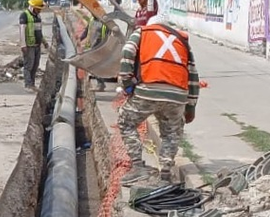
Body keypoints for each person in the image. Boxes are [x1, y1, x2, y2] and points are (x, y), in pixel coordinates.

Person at [118, 15, 200, 185]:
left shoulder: (142, 32)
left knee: (126, 122)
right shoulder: (182, 40)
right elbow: (193, 77)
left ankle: (138, 168)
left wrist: (127, 83)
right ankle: (165, 173)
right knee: (171, 132)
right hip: (178, 95)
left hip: (149, 90)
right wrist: (190, 109)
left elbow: (127, 51)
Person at [19, 0, 45, 91]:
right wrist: (23, 45)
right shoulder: (25, 15)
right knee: (28, 65)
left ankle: (32, 84)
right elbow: (22, 31)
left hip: (37, 45)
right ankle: (28, 84)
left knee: (35, 65)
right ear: (33, 7)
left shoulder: (38, 17)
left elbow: (39, 31)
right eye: (38, 9)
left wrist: (44, 42)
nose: (39, 11)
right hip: (29, 46)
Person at [80, 14, 111, 91]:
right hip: (92, 47)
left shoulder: (104, 23)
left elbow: (108, 35)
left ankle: (101, 84)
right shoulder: (92, 20)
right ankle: (100, 83)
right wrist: (80, 38)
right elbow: (87, 31)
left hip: (99, 47)